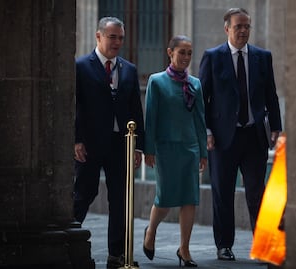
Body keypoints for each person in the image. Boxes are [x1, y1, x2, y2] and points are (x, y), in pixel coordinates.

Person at [198, 7, 282, 261]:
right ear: (227, 28)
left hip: (254, 136)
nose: (244, 31)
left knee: (258, 193)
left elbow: (271, 95)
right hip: (222, 139)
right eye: (238, 27)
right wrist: (207, 131)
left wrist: (276, 128)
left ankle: (265, 244)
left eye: (247, 26)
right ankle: (224, 245)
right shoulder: (212, 57)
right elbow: (203, 99)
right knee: (223, 193)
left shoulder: (262, 57)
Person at [74, 16, 144, 269]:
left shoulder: (129, 69)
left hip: (120, 144)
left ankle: (117, 253)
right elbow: (72, 106)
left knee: (120, 198)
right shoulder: (81, 66)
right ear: (98, 36)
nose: (117, 42)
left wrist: (138, 145)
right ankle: (69, 243)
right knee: (83, 192)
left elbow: (136, 108)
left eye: (121, 38)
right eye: (112, 36)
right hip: (90, 145)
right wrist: (76, 141)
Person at [143, 35, 207, 268]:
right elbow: (150, 119)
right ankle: (150, 232)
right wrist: (149, 149)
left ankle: (185, 249)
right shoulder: (156, 81)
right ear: (170, 53)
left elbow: (200, 120)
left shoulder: (196, 84)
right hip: (166, 148)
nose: (186, 57)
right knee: (165, 198)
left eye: (189, 53)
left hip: (189, 147)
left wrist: (203, 152)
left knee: (190, 199)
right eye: (182, 52)